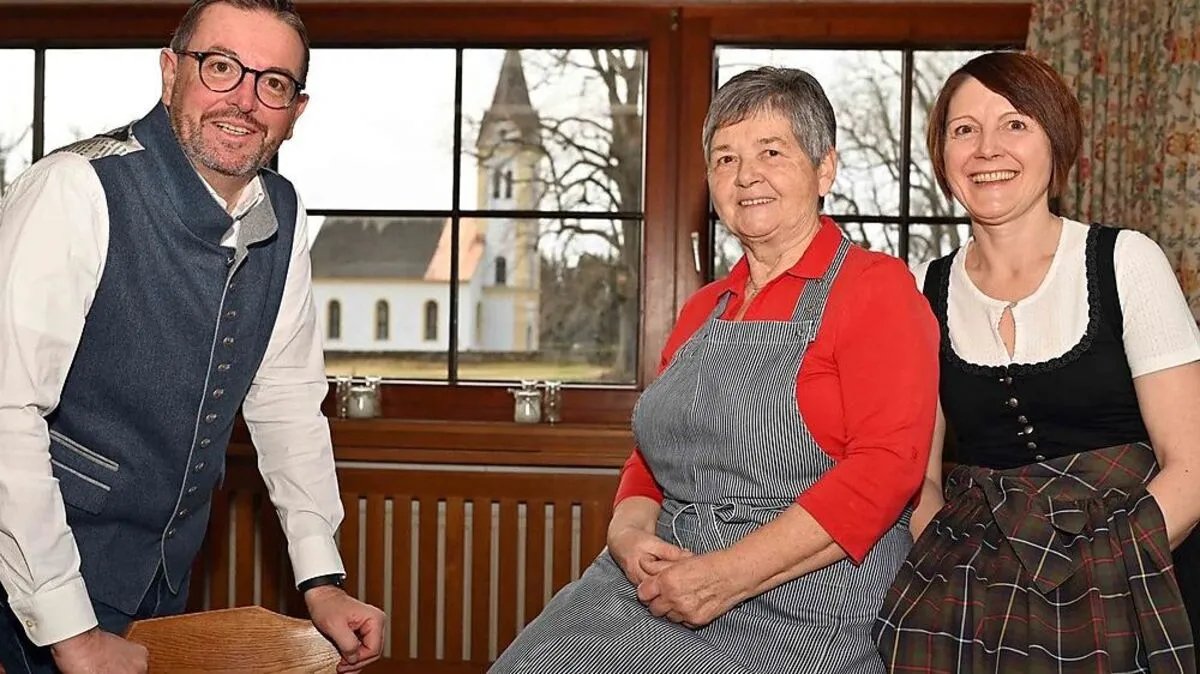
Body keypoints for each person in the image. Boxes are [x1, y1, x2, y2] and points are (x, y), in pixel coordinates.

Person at [490, 66, 938, 673]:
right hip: (642, 590)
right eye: (726, 158)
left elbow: (887, 471)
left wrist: (724, 576)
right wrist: (628, 536)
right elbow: (652, 458)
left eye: (771, 151)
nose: (746, 175)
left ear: (824, 169)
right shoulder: (703, 308)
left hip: (795, 612)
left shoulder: (875, 289)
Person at [0, 1, 388, 672]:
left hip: (166, 573)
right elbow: (6, 413)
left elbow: (287, 400)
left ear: (296, 111)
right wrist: (72, 633)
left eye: (273, 82)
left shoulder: (285, 211)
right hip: (34, 585)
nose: (245, 100)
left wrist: (321, 579)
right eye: (221, 67)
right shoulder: (75, 188)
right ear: (170, 72)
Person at [874, 51, 1200, 672]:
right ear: (942, 155)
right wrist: (949, 560)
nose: (986, 149)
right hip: (974, 580)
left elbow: (1193, 464)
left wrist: (1104, 567)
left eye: (1015, 124)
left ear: (1057, 142)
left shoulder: (1126, 262)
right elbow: (920, 476)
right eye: (964, 129)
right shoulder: (923, 289)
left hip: (1135, 569)